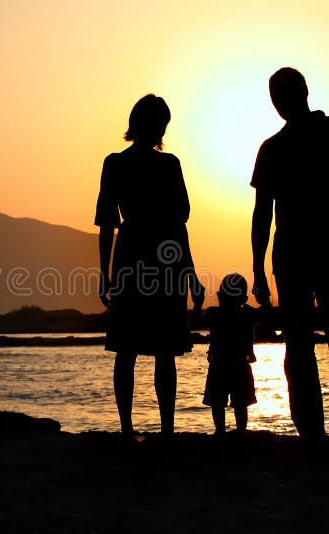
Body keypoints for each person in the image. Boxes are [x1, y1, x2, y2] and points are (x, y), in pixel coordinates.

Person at [250, 67, 329, 441]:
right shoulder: (327, 135)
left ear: (300, 93)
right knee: (327, 343)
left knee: (319, 344)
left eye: (281, 97)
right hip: (310, 254)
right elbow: (263, 214)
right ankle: (327, 430)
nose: (281, 104)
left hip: (319, 252)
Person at [95, 94, 204, 439]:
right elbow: (179, 220)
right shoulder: (167, 164)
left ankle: (133, 429)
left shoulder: (117, 163)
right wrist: (189, 273)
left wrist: (105, 274)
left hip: (134, 255)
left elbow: (108, 224)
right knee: (159, 349)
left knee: (134, 348)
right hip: (161, 256)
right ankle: (162, 431)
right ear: (157, 126)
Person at [195, 273, 258, 436]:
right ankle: (241, 430)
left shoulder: (214, 314)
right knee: (240, 403)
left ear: (220, 295)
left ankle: (221, 431)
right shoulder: (246, 315)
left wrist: (197, 306)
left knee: (218, 401)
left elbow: (198, 318)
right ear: (244, 299)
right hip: (239, 364)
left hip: (220, 365)